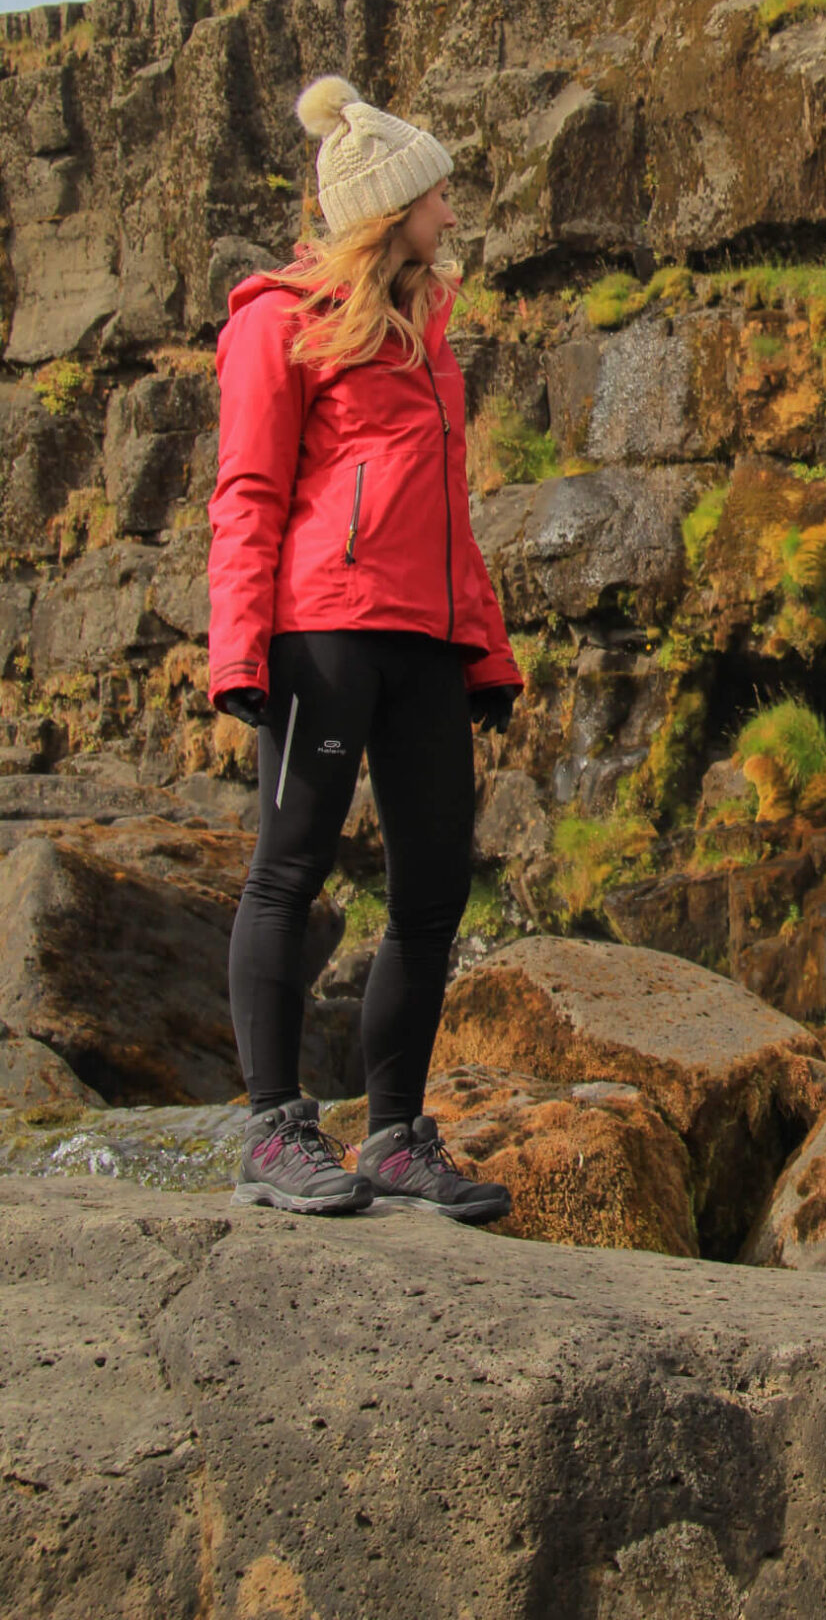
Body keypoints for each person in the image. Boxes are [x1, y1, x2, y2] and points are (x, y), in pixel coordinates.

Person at [208, 73, 524, 1221]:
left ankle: (395, 1138)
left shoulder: (429, 326)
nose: (451, 214)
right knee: (289, 866)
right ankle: (274, 1129)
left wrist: (483, 650)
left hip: (427, 643)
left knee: (434, 885)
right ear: (392, 210)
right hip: (323, 633)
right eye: (437, 196)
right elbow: (246, 491)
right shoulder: (275, 320)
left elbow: (448, 512)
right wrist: (240, 649)